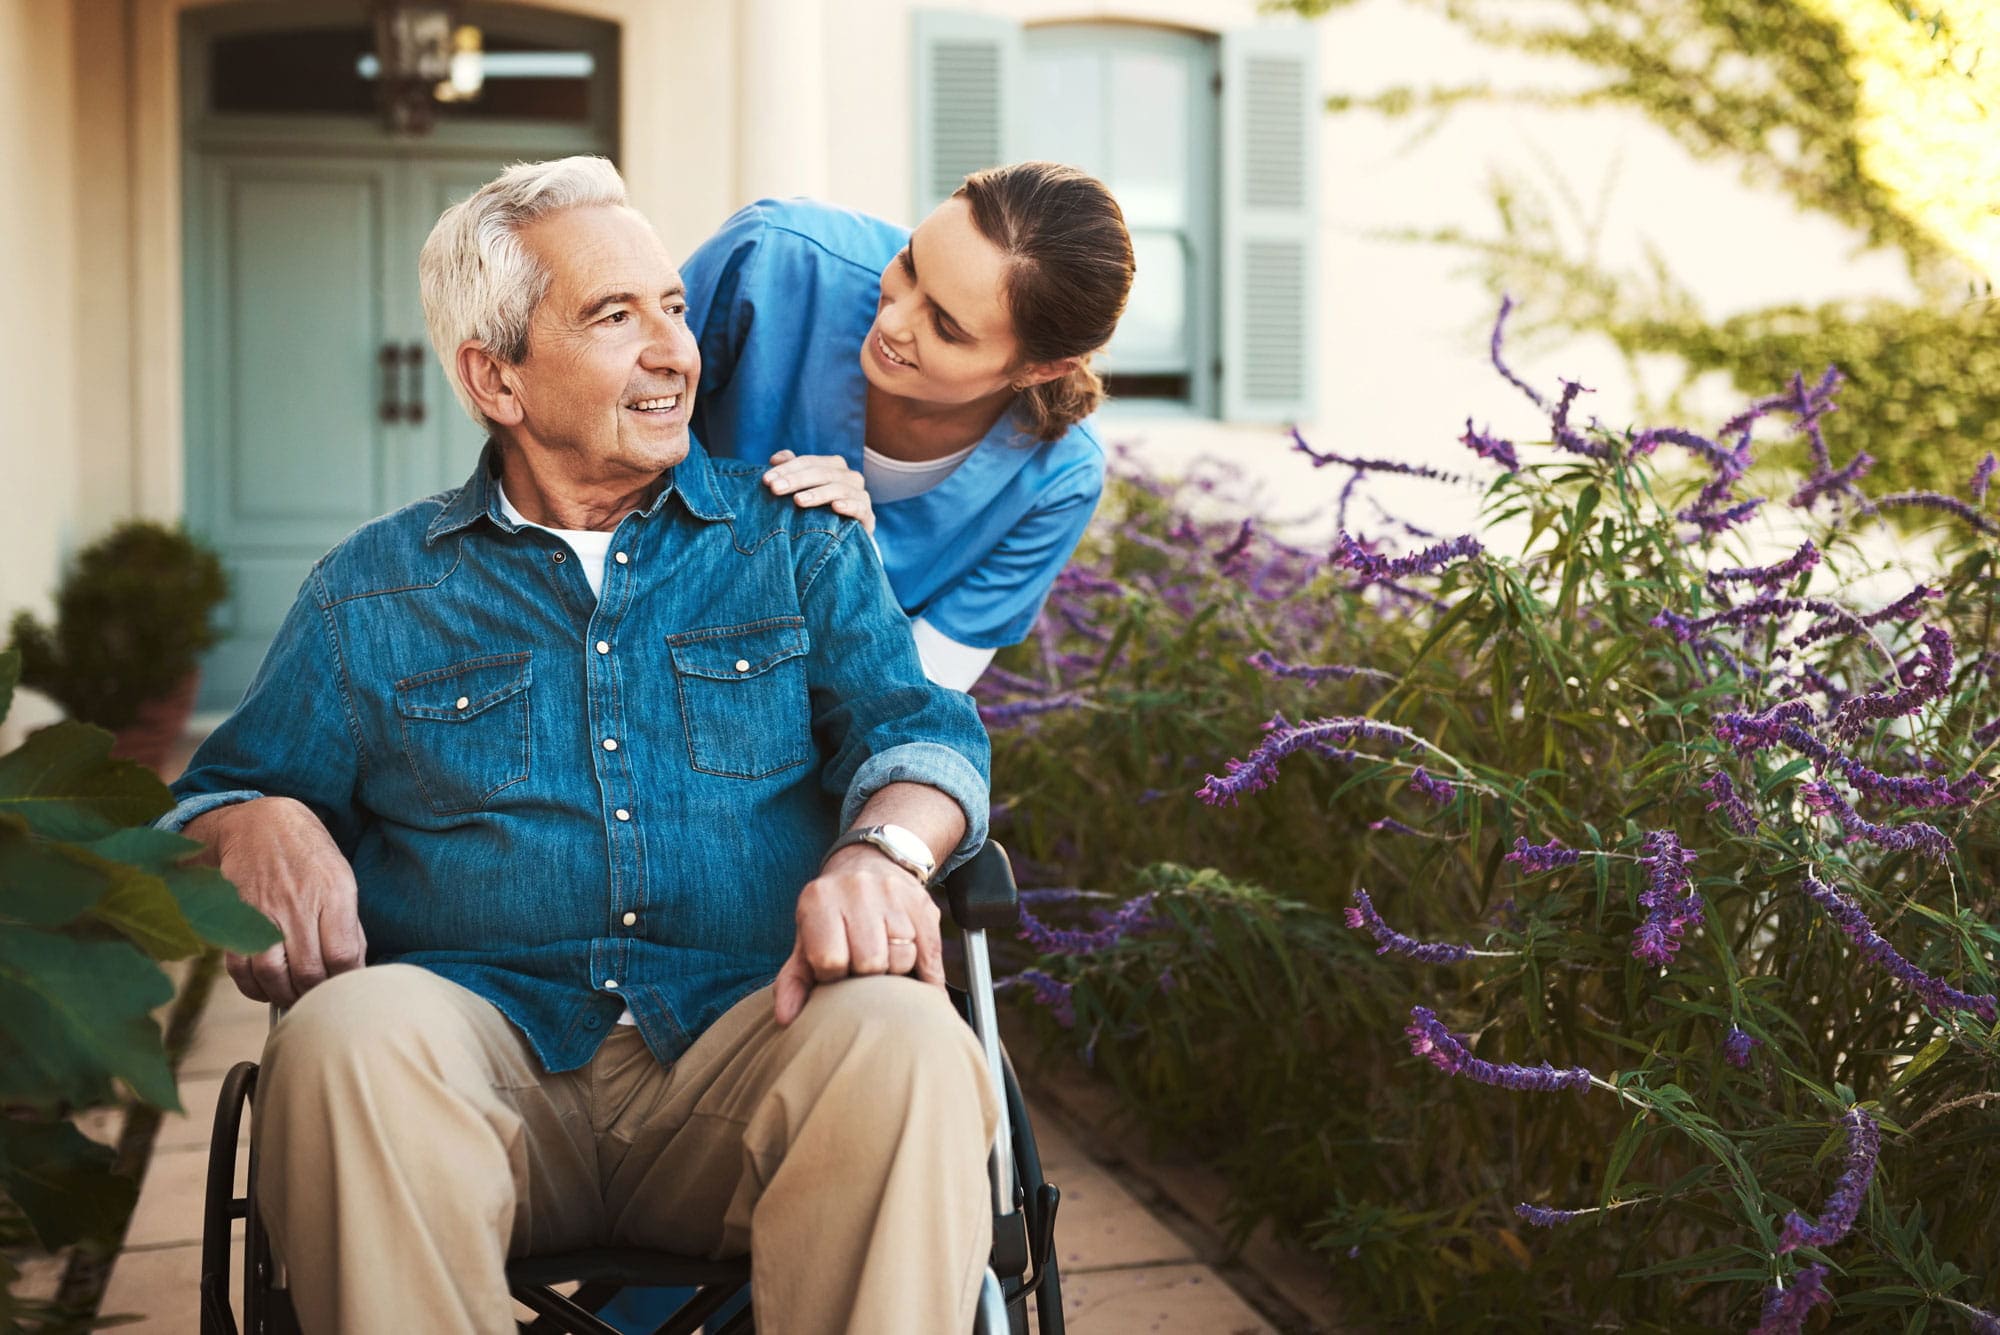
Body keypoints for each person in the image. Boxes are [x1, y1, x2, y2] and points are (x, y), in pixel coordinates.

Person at [161, 156, 1000, 1335]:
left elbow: (920, 733)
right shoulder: (370, 593)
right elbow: (214, 795)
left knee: (907, 1039)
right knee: (341, 1039)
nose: (674, 352)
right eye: (615, 317)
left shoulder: (795, 541)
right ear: (494, 377)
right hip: (473, 1076)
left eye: (673, 307)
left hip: (748, 1049)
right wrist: (251, 820)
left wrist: (883, 854)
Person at [687, 162, 1136, 691]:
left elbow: (913, 695)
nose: (892, 322)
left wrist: (853, 561)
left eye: (945, 327)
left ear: (1041, 369)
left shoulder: (1058, 481)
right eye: (909, 263)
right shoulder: (772, 258)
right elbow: (605, 430)